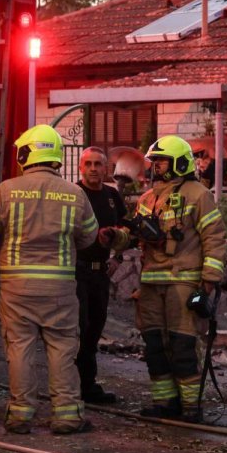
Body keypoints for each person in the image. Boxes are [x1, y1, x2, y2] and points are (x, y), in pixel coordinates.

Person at [0, 125, 98, 435]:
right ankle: (68, 415)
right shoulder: (75, 193)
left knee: (20, 348)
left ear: (25, 153)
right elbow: (88, 237)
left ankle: (20, 415)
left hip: (17, 288)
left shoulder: (6, 190)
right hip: (60, 288)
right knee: (62, 348)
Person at [129, 136, 227, 423]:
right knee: (154, 345)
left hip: (183, 281)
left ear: (179, 163)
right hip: (150, 283)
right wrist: (118, 236)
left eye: (161, 161)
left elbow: (215, 239)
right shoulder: (149, 197)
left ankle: (190, 407)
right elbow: (136, 236)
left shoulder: (198, 194)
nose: (156, 167)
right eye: (154, 162)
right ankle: (165, 403)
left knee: (182, 345)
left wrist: (208, 281)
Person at [75, 147, 130, 404]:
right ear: (80, 167)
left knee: (95, 328)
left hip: (100, 273)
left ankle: (88, 385)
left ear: (106, 169)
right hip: (76, 272)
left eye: (98, 164)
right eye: (89, 164)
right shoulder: (74, 194)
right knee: (79, 328)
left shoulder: (111, 196)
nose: (93, 169)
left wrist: (117, 258)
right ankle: (71, 386)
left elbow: (126, 230)